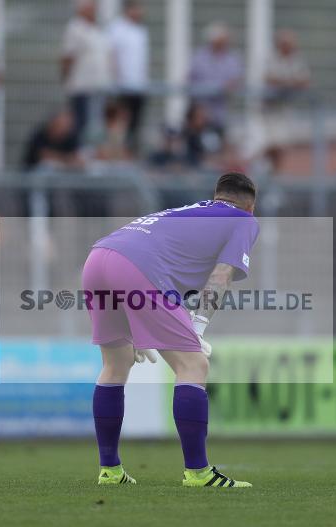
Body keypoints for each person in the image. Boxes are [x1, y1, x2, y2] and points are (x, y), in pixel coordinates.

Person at [82, 172, 259, 488]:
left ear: (216, 196)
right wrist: (198, 326)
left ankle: (109, 470)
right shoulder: (243, 220)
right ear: (250, 207)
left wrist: (135, 327)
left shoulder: (187, 211)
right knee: (193, 364)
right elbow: (221, 276)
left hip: (98, 259)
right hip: (137, 269)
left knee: (115, 364)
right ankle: (198, 473)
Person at [61, 0, 111, 145]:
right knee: (82, 125)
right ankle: (81, 154)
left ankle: (93, 154)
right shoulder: (74, 28)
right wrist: (67, 81)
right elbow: (67, 57)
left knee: (97, 125)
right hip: (81, 87)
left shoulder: (97, 29)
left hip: (99, 87)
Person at [263, 30, 311, 171]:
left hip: (285, 110)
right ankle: (268, 171)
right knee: (270, 145)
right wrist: (290, 83)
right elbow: (270, 79)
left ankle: (274, 175)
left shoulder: (297, 60)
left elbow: (305, 81)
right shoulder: (272, 58)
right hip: (269, 110)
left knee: (281, 146)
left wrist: (285, 83)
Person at [108, 0, 148, 154]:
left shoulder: (141, 30)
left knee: (134, 126)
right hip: (122, 87)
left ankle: (130, 154)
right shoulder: (117, 29)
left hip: (138, 87)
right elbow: (112, 56)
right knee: (120, 125)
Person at [189, 23, 244, 134]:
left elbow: (237, 78)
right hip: (201, 112)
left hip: (221, 112)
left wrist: (230, 85)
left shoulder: (232, 58)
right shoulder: (200, 56)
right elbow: (190, 79)